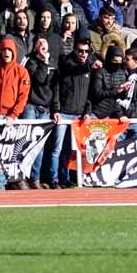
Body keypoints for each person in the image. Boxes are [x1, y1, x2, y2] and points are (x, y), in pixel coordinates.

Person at [50, 38, 97, 188]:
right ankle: (54, 179)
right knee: (56, 149)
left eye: (86, 51)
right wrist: (56, 109)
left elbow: (90, 95)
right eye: (80, 51)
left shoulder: (88, 69)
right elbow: (56, 88)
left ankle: (66, 178)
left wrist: (87, 112)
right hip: (64, 113)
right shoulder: (66, 65)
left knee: (71, 151)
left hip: (78, 116)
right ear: (75, 50)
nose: (83, 54)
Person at [0, 38, 31, 190]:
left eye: (9, 50)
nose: (6, 53)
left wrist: (13, 115)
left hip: (12, 116)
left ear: (14, 52)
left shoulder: (21, 72)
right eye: (4, 50)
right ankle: (0, 173)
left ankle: (16, 178)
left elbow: (23, 96)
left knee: (12, 148)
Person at [23, 36, 54, 188]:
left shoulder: (52, 62)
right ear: (35, 47)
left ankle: (35, 178)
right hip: (31, 106)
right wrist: (44, 62)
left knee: (40, 147)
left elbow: (53, 86)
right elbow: (39, 79)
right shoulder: (31, 62)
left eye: (45, 43)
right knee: (27, 143)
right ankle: (22, 178)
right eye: (39, 43)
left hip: (45, 108)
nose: (42, 45)